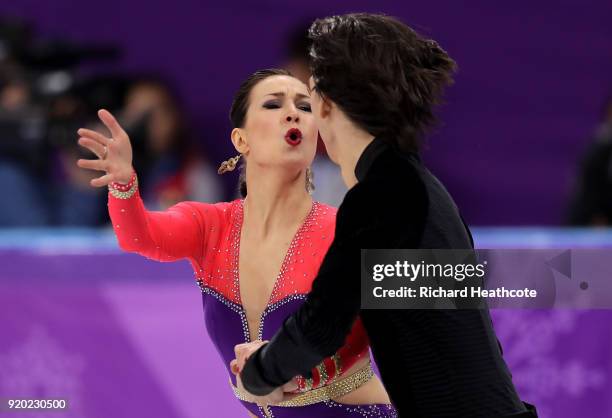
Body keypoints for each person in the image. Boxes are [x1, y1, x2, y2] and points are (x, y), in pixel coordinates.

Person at [236, 14, 538, 418]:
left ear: (326, 103)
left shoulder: (383, 195)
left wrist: (258, 374)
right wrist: (284, 368)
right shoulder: (418, 189)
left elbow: (320, 327)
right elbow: (418, 332)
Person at [75, 68, 396, 418]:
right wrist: (123, 183)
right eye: (273, 104)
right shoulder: (211, 226)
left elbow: (453, 286)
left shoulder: (350, 230)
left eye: (305, 107)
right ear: (241, 140)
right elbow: (140, 238)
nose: (293, 113)